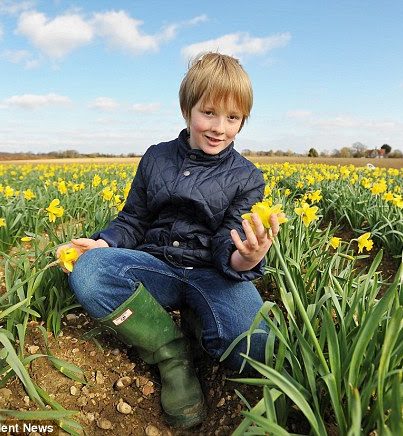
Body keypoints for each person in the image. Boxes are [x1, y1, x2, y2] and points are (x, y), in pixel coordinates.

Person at [57, 52, 283, 429]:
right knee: (90, 272)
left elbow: (231, 246)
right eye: (208, 112)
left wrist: (248, 258)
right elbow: (133, 218)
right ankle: (171, 354)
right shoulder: (156, 158)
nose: (219, 128)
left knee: (256, 348)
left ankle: (200, 319)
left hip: (213, 273)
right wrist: (106, 244)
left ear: (244, 120)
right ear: (187, 108)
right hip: (155, 266)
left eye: (233, 118)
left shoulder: (247, 177)